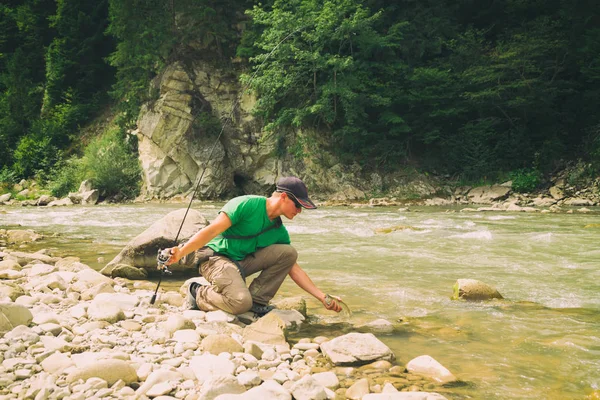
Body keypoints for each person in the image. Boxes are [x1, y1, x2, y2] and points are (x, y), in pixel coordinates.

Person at [163, 176, 342, 317]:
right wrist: (181, 252)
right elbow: (211, 231)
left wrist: (322, 297)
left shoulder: (279, 231)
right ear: (284, 197)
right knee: (240, 302)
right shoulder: (247, 204)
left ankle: (256, 303)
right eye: (298, 205)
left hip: (241, 263)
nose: (299, 211)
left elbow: (293, 269)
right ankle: (198, 292)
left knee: (289, 253)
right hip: (216, 259)